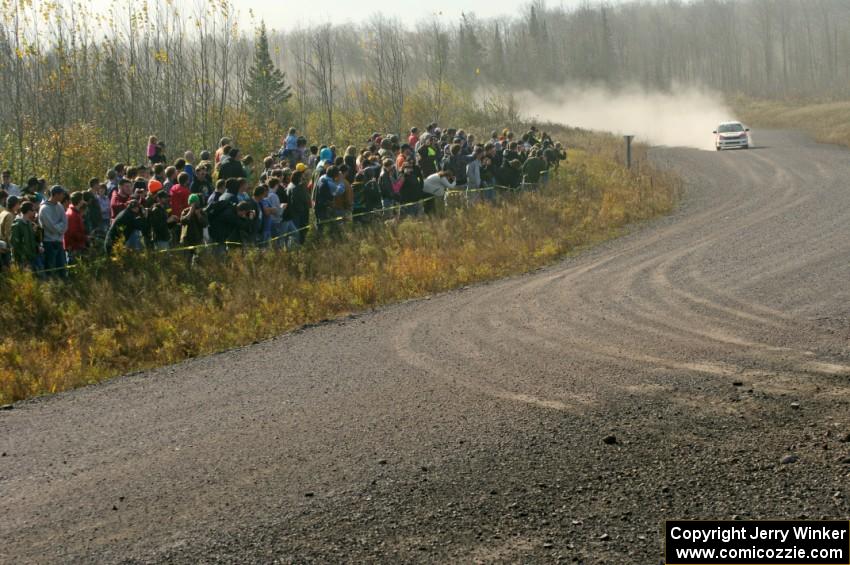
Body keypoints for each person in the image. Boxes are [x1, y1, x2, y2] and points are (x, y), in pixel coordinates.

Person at [39, 186, 69, 278]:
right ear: (56, 194)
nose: (63, 196)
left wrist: (59, 227)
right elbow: (51, 227)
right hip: (49, 243)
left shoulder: (59, 206)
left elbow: (65, 223)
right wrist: (60, 227)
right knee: (51, 270)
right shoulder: (44, 209)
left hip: (59, 242)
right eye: (62, 194)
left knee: (62, 269)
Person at [314, 165, 345, 236]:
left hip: (318, 205)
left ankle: (318, 240)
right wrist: (341, 180)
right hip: (325, 207)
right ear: (335, 175)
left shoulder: (322, 178)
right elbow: (341, 190)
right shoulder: (329, 184)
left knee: (320, 226)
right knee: (331, 225)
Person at [11, 201, 40, 272]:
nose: (34, 212)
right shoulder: (17, 225)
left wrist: (38, 247)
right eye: (33, 210)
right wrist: (23, 257)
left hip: (32, 256)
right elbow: (15, 243)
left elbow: (32, 240)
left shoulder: (29, 224)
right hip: (22, 260)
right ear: (28, 211)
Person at [283, 171, 310, 245]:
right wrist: (302, 210)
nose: (303, 178)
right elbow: (297, 203)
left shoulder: (290, 185)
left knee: (295, 233)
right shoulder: (296, 188)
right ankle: (297, 248)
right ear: (299, 178)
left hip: (293, 214)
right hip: (298, 215)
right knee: (297, 234)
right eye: (302, 177)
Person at [64, 191, 88, 263]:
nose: (83, 201)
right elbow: (73, 233)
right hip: (74, 246)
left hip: (76, 245)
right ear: (79, 201)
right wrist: (85, 238)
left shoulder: (74, 212)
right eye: (82, 199)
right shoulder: (72, 214)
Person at [0, 194, 20, 270]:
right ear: (15, 204)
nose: (19, 206)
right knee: (6, 269)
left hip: (1, 244)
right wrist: (11, 247)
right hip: (5, 247)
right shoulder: (9, 215)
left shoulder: (3, 213)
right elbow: (8, 233)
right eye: (18, 204)